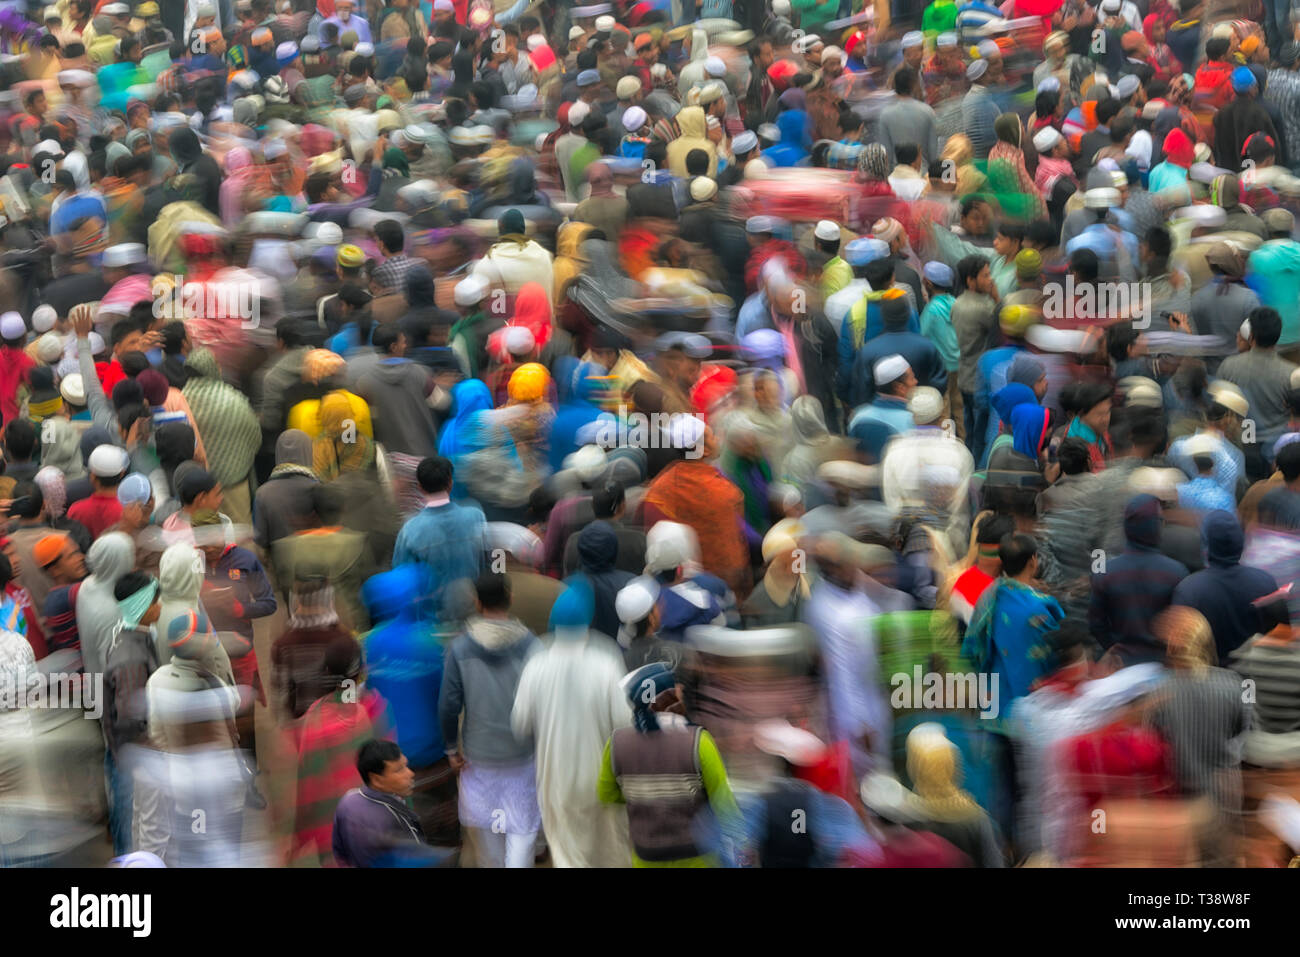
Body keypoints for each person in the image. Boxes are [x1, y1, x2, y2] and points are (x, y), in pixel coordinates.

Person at [511, 583, 632, 867]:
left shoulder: (535, 666)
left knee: (568, 854)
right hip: (602, 777)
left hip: (556, 780)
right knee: (610, 850)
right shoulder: (606, 664)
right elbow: (624, 722)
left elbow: (520, 724)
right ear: (587, 621)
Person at [438, 571, 540, 868]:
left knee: (488, 831)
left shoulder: (459, 649)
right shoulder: (532, 646)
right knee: (522, 828)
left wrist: (450, 749)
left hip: (478, 756)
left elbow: (448, 705)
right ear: (510, 597)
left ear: (476, 602)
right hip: (522, 752)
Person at [597, 660, 740, 867]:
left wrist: (642, 795)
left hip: (646, 855)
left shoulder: (617, 743)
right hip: (697, 853)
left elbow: (606, 794)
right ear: (668, 695)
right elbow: (724, 804)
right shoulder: (698, 741)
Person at [392, 455, 486, 613]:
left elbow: (402, 578)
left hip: (432, 617)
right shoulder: (475, 516)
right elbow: (489, 562)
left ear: (420, 487)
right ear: (450, 483)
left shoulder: (410, 530)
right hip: (473, 608)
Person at [332, 739, 445, 867]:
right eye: (399, 770)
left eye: (405, 766)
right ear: (376, 779)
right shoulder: (387, 817)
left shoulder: (348, 800)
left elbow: (339, 852)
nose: (410, 773)